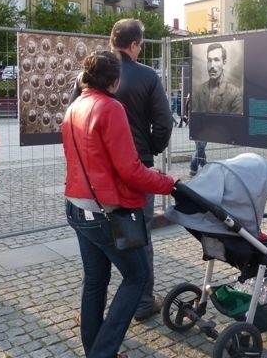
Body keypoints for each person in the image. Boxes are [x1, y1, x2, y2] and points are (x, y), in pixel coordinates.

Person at [63, 50, 179, 358]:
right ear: (115, 81)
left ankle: (94, 348)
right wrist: (169, 182)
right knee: (137, 276)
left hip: (77, 205)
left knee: (96, 279)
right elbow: (129, 169)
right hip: (103, 212)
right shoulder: (110, 108)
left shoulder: (74, 106)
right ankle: (102, 352)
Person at [192, 42, 242, 114]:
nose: (212, 65)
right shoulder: (198, 91)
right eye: (209, 60)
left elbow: (236, 122)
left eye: (216, 60)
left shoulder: (235, 93)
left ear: (224, 63)